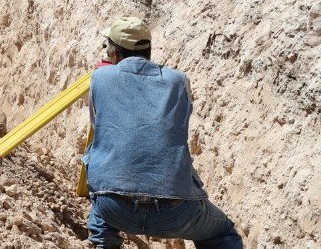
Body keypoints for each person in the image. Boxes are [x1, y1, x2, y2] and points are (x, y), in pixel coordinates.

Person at [83, 17, 243, 248]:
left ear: (115, 53)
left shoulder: (99, 78)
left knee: (104, 186)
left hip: (114, 209)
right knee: (222, 231)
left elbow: (99, 129)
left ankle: (102, 241)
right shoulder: (178, 81)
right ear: (148, 50)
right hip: (177, 212)